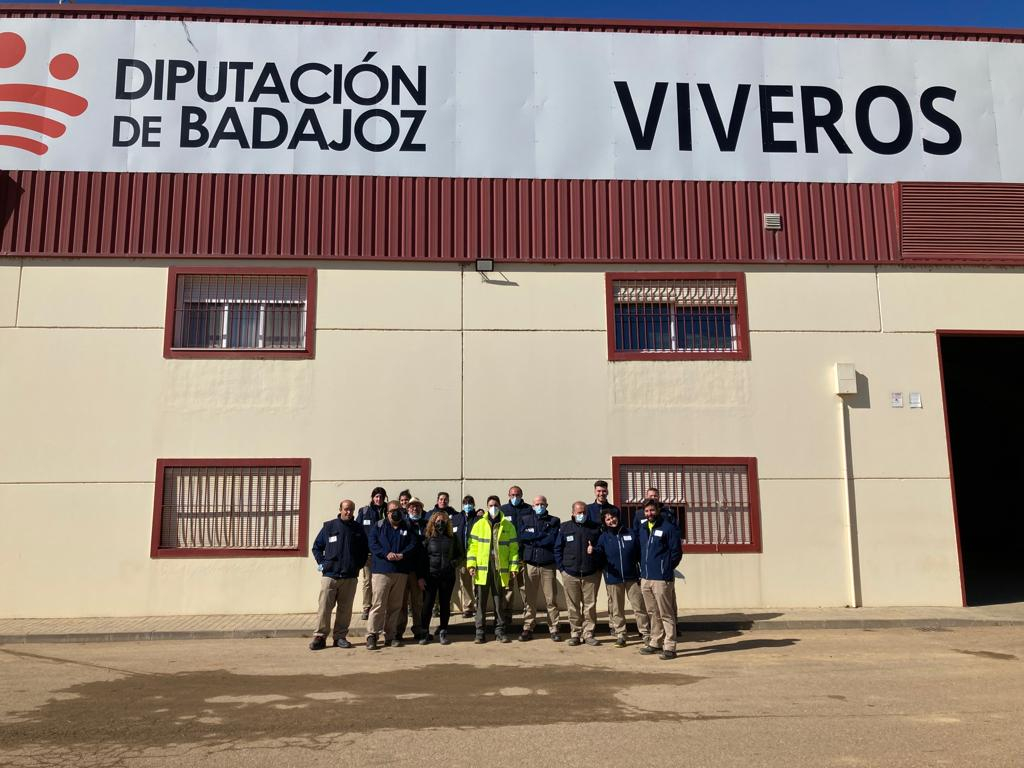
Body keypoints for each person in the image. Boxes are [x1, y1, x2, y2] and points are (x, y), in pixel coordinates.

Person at [309, 499, 369, 650]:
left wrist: (357, 565)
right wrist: (323, 563)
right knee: (324, 608)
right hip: (330, 576)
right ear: (340, 509)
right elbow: (317, 547)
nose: (348, 512)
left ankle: (340, 637)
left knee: (345, 610)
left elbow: (364, 550)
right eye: (346, 509)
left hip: (349, 577)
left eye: (351, 510)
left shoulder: (358, 529)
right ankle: (320, 637)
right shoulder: (329, 527)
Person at [466, 494, 520, 643]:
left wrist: (513, 567)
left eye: (495, 505)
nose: (493, 508)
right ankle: (480, 632)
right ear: (487, 506)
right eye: (490, 505)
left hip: (499, 569)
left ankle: (500, 631)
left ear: (500, 506)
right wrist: (471, 565)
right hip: (482, 569)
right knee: (480, 603)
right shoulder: (478, 525)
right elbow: (472, 548)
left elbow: (514, 549)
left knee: (499, 603)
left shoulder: (508, 526)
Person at [595, 508, 651, 648]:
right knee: (617, 609)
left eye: (613, 517)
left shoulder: (631, 533)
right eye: (607, 519)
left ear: (618, 518)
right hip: (613, 579)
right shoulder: (603, 537)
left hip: (632, 577)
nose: (611, 521)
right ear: (605, 522)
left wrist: (641, 573)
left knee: (639, 607)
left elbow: (640, 555)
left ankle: (645, 633)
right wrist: (594, 552)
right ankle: (621, 634)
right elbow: (600, 557)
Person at [366, 500, 417, 650]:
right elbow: (373, 544)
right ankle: (372, 635)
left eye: (398, 510)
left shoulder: (407, 526)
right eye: (392, 510)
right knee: (378, 605)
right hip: (382, 571)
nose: (395, 513)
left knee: (395, 606)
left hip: (400, 572)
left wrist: (403, 554)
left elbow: (413, 544)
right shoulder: (379, 526)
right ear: (387, 512)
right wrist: (385, 554)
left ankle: (390, 636)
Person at [637, 498, 683, 660]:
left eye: (652, 510)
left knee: (666, 613)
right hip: (646, 577)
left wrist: (666, 569)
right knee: (652, 612)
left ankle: (670, 646)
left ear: (658, 510)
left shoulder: (668, 528)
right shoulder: (642, 529)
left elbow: (676, 552)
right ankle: (655, 642)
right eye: (647, 511)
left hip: (662, 578)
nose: (649, 514)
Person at [554, 500, 602, 646]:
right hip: (570, 573)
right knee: (573, 606)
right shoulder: (565, 527)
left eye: (584, 512)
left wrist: (594, 551)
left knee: (589, 606)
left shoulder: (595, 528)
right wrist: (562, 569)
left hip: (591, 574)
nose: (582, 515)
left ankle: (588, 634)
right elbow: (557, 549)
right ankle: (575, 633)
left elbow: (601, 548)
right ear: (573, 513)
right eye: (579, 512)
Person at [515, 494, 562, 642]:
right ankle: (528, 627)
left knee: (551, 599)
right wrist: (541, 536)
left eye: (542, 504)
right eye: (536, 504)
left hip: (548, 565)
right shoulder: (525, 519)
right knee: (529, 599)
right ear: (532, 506)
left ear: (546, 505)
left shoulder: (554, 521)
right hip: (530, 564)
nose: (539, 506)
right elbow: (522, 537)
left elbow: (552, 539)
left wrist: (534, 537)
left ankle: (554, 628)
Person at [419, 508, 465, 645]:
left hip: (447, 576)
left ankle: (443, 631)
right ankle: (424, 632)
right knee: (427, 604)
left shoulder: (452, 537)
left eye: (443, 521)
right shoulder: (427, 538)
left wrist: (454, 563)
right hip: (430, 576)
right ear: (433, 522)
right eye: (438, 521)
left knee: (445, 604)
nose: (440, 523)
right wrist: (421, 576)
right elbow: (421, 558)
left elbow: (461, 555)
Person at [395, 496, 429, 642]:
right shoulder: (402, 524)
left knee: (417, 602)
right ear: (407, 509)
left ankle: (418, 630)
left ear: (421, 509)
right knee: (401, 603)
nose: (414, 509)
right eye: (412, 506)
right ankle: (398, 631)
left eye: (417, 506)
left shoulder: (427, 524)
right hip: (403, 569)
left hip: (418, 570)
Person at [356, 487, 388, 620]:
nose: (378, 499)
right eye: (376, 497)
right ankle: (366, 607)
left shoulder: (389, 511)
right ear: (372, 497)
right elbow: (357, 530)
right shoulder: (364, 512)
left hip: (384, 554)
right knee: (367, 581)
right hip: (368, 554)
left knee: (382, 582)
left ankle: (380, 606)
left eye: (381, 497)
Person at [501, 485, 529, 619]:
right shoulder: (503, 510)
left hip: (523, 556)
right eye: (512, 495)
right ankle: (507, 615)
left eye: (517, 495)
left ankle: (528, 614)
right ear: (508, 495)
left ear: (522, 495)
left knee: (525, 588)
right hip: (507, 557)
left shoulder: (529, 510)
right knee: (508, 588)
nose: (515, 497)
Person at [449, 494, 477, 618]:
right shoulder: (456, 519)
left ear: (474, 505)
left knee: (477, 583)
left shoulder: (478, 519)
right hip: (461, 557)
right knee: (465, 583)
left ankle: (479, 605)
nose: (467, 505)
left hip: (475, 556)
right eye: (465, 503)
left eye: (470, 503)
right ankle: (468, 607)